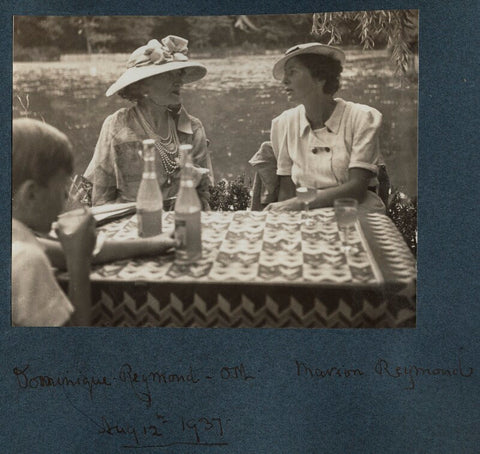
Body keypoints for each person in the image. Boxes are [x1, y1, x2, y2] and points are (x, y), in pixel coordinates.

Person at [12, 118, 176, 327]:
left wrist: (152, 244)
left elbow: (65, 252)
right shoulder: (28, 260)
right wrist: (78, 264)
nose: (66, 196)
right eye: (62, 185)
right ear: (31, 194)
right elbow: (71, 350)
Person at [84, 35, 213, 209]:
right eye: (168, 75)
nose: (179, 81)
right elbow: (100, 200)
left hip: (181, 221)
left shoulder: (193, 128)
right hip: (129, 224)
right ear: (142, 86)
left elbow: (204, 197)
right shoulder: (117, 125)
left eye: (179, 74)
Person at [263, 42, 385, 214]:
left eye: (293, 72)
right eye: (285, 74)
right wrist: (287, 221)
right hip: (305, 214)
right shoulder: (284, 123)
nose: (284, 80)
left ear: (320, 77)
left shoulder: (361, 117)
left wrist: (298, 204)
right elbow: (287, 191)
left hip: (355, 211)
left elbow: (356, 189)